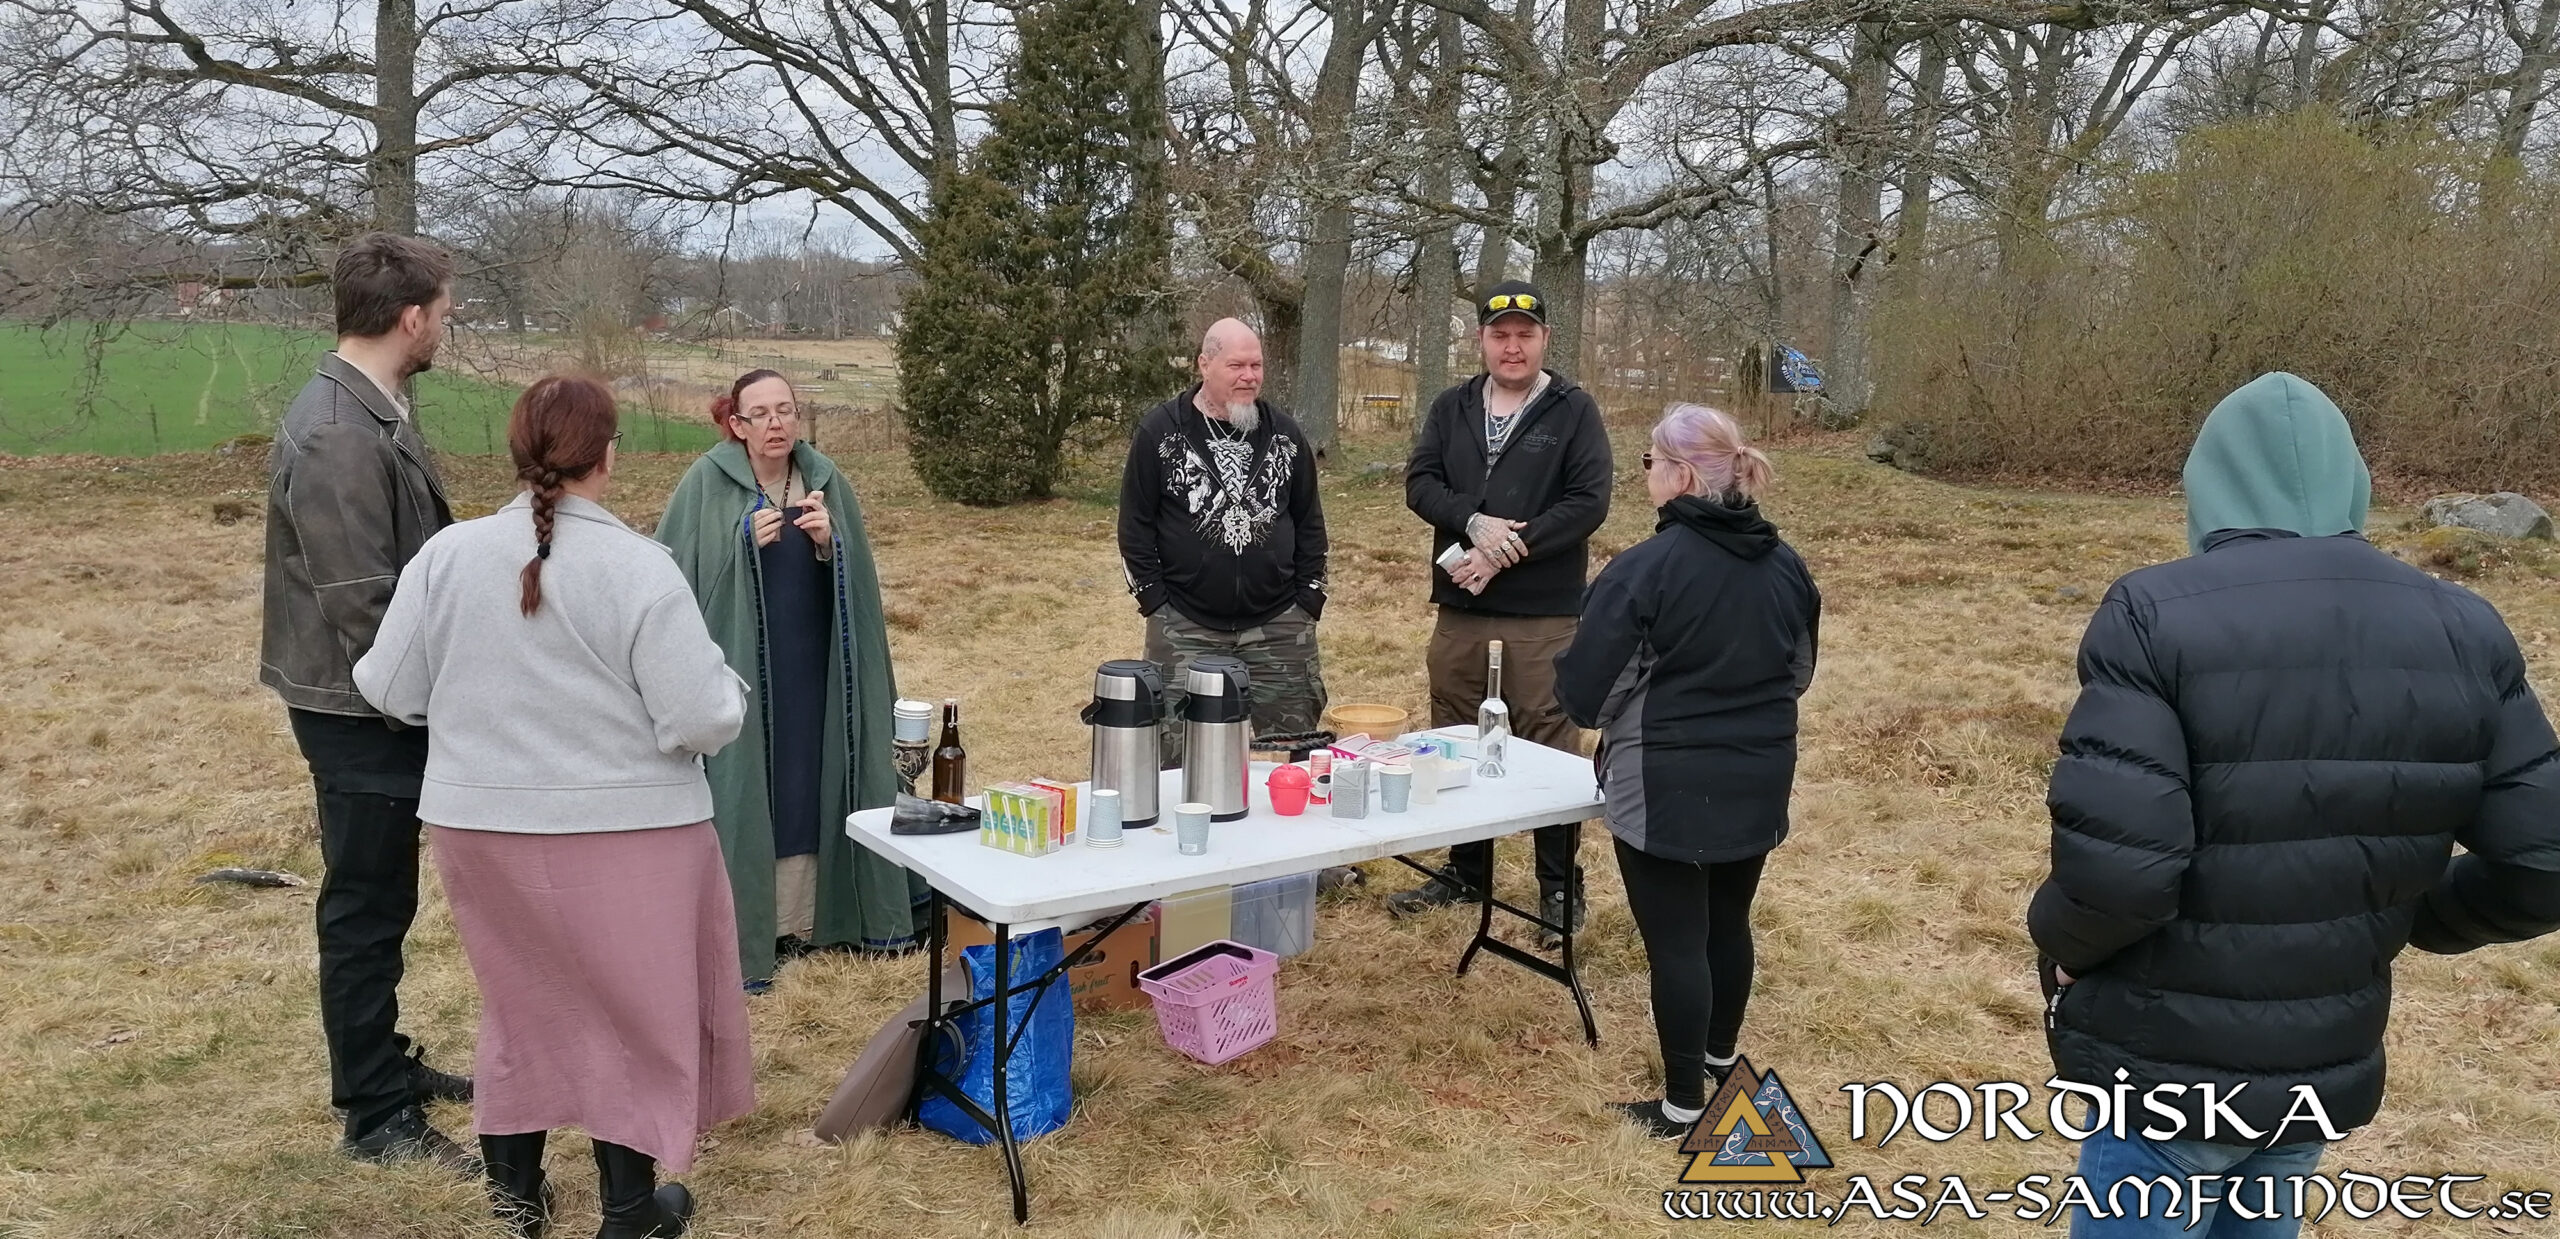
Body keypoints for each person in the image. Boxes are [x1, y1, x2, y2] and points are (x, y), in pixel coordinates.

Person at [2032, 373, 2560, 1238]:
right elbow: (2546, 861)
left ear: (2208, 482)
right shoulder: (2467, 625)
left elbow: (2121, 874)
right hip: (2316, 1059)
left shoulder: (2152, 610)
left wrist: (2062, 951)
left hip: (2169, 1065)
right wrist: (2395, 910)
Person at [355, 374, 753, 1239]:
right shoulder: (639, 565)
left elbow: (386, 686)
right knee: (632, 1012)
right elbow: (701, 714)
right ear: (607, 457)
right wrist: (729, 686)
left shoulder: (447, 555)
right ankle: (629, 1213)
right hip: (630, 832)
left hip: (481, 827)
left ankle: (516, 1204)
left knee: (520, 1000)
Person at [257, 231, 475, 1170]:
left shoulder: (375, 404)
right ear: (410, 315)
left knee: (381, 897)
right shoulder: (340, 432)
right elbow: (366, 609)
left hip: (378, 701)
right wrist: (447, 702)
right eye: (447, 310)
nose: (449, 325)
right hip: (361, 709)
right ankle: (375, 1115)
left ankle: (382, 1061)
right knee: (365, 905)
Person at [1554, 405, 1818, 1139]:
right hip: (1760, 771)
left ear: (1678, 474)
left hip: (1665, 782)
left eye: (1648, 462)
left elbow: (1585, 695)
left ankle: (1681, 1108)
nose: (1645, 474)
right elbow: (1798, 672)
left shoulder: (1644, 570)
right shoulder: (1787, 565)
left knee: (1678, 942)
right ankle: (1717, 1059)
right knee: (1727, 923)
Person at [654, 369, 923, 988]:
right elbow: (669, 579)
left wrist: (832, 546)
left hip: (817, 669)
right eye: (761, 414)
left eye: (786, 411)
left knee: (812, 778)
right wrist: (739, 542)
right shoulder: (706, 483)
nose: (776, 423)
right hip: (741, 671)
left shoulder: (826, 481)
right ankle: (753, 928)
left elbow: (858, 584)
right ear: (737, 425)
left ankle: (809, 920)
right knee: (750, 787)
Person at [1387, 281, 1614, 945]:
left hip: (1542, 613)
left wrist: (1507, 549)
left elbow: (1588, 501)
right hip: (1460, 604)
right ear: (1481, 340)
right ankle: (1465, 871)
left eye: (1525, 333)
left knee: (1549, 741)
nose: (1512, 345)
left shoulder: (1573, 410)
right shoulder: (1453, 406)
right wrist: (1473, 521)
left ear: (1544, 337)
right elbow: (1420, 483)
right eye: (1499, 334)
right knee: (1454, 735)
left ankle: (1558, 887)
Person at [1118, 318, 1330, 763]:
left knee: (1295, 756)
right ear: (1204, 364)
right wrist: (1155, 601)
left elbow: (1309, 522)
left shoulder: (1286, 436)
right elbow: (1134, 526)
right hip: (1185, 626)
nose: (1249, 377)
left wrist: (1309, 598)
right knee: (1174, 757)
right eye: (1236, 365)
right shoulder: (1160, 432)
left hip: (1279, 625)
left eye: (1256, 365)